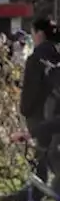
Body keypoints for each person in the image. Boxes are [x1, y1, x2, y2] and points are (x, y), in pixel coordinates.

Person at [19, 17, 60, 191]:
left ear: (40, 34)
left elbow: (31, 89)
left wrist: (24, 110)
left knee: (43, 159)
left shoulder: (36, 58)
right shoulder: (56, 55)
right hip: (54, 113)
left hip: (38, 115)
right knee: (47, 156)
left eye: (33, 33)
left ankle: (32, 200)